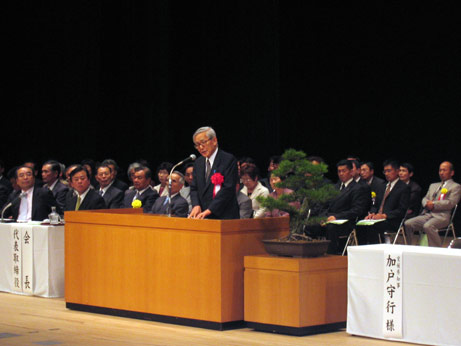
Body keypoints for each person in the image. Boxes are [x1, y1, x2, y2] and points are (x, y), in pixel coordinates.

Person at [306, 159, 370, 254]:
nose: (341, 174)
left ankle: (332, 255)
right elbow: (325, 205)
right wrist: (323, 217)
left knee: (331, 227)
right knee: (310, 225)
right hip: (329, 218)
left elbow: (357, 210)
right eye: (339, 171)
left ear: (351, 171)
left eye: (343, 171)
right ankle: (312, 253)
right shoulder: (334, 187)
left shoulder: (358, 188)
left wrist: (336, 217)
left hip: (346, 221)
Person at [404, 161, 461, 247]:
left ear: (452, 172)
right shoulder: (433, 185)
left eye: (444, 170)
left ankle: (436, 249)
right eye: (440, 170)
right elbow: (425, 198)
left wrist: (434, 204)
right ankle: (410, 246)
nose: (441, 172)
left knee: (428, 226)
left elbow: (451, 202)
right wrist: (426, 203)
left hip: (442, 216)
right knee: (408, 223)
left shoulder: (455, 186)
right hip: (427, 215)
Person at [188, 126, 239, 219]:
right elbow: (194, 188)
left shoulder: (228, 160)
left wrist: (210, 210)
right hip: (203, 216)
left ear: (214, 140)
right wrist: (196, 205)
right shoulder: (198, 163)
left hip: (224, 216)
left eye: (203, 142)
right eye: (197, 144)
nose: (200, 147)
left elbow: (228, 189)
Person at [357, 160, 410, 244]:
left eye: (389, 171)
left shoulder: (403, 188)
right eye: (385, 171)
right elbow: (375, 205)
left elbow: (401, 210)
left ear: (397, 171)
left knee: (373, 227)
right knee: (360, 225)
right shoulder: (382, 186)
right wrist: (372, 214)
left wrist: (384, 215)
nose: (386, 173)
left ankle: (376, 250)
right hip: (378, 218)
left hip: (392, 220)